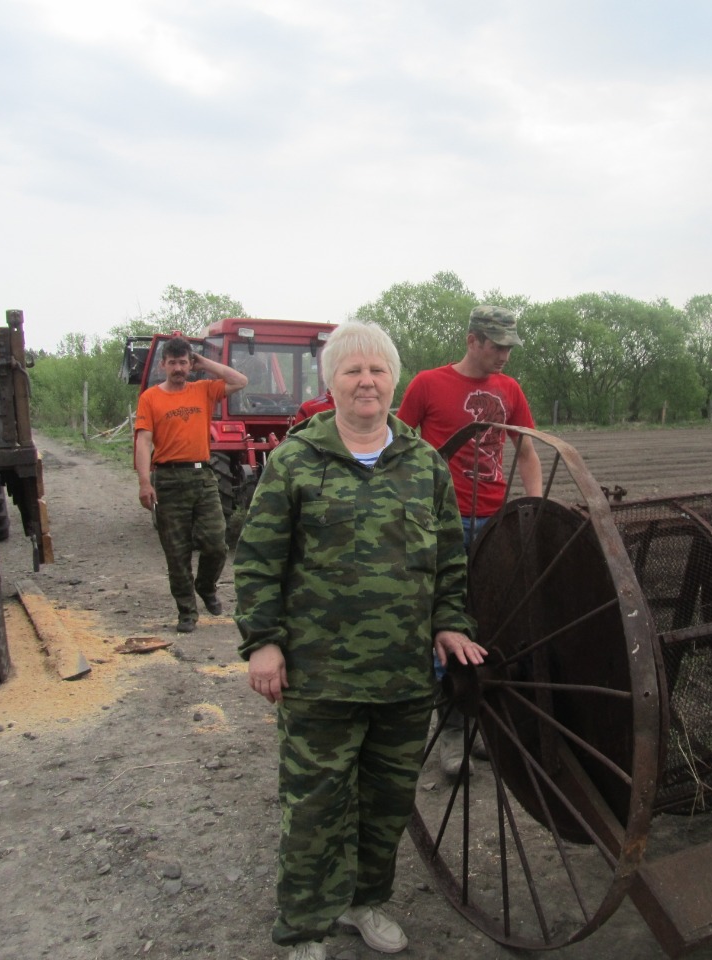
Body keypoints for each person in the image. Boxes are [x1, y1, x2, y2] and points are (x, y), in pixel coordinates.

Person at [235, 321, 485, 960]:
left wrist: (450, 621)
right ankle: (304, 930)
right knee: (314, 807)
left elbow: (451, 560)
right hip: (319, 679)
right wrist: (263, 643)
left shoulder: (423, 463)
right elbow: (259, 558)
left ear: (393, 380)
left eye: (377, 370)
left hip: (403, 677)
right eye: (352, 371)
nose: (366, 381)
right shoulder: (295, 460)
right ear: (332, 383)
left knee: (385, 804)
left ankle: (363, 902)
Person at [397, 304, 543, 778]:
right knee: (447, 620)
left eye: (508, 346)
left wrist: (534, 509)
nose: (505, 355)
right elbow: (399, 449)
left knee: (488, 622)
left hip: (494, 522)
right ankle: (453, 730)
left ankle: (481, 720)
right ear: (472, 340)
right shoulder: (427, 384)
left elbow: (525, 450)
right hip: (444, 522)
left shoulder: (509, 389)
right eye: (497, 345)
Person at [134, 336, 247, 633]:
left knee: (216, 542)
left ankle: (206, 586)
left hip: (202, 476)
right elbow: (144, 441)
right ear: (163, 365)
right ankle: (186, 612)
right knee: (177, 550)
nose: (178, 368)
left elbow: (240, 380)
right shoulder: (150, 398)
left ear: (190, 364)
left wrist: (205, 363)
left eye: (183, 362)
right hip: (168, 479)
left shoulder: (204, 390)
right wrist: (145, 482)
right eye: (172, 363)